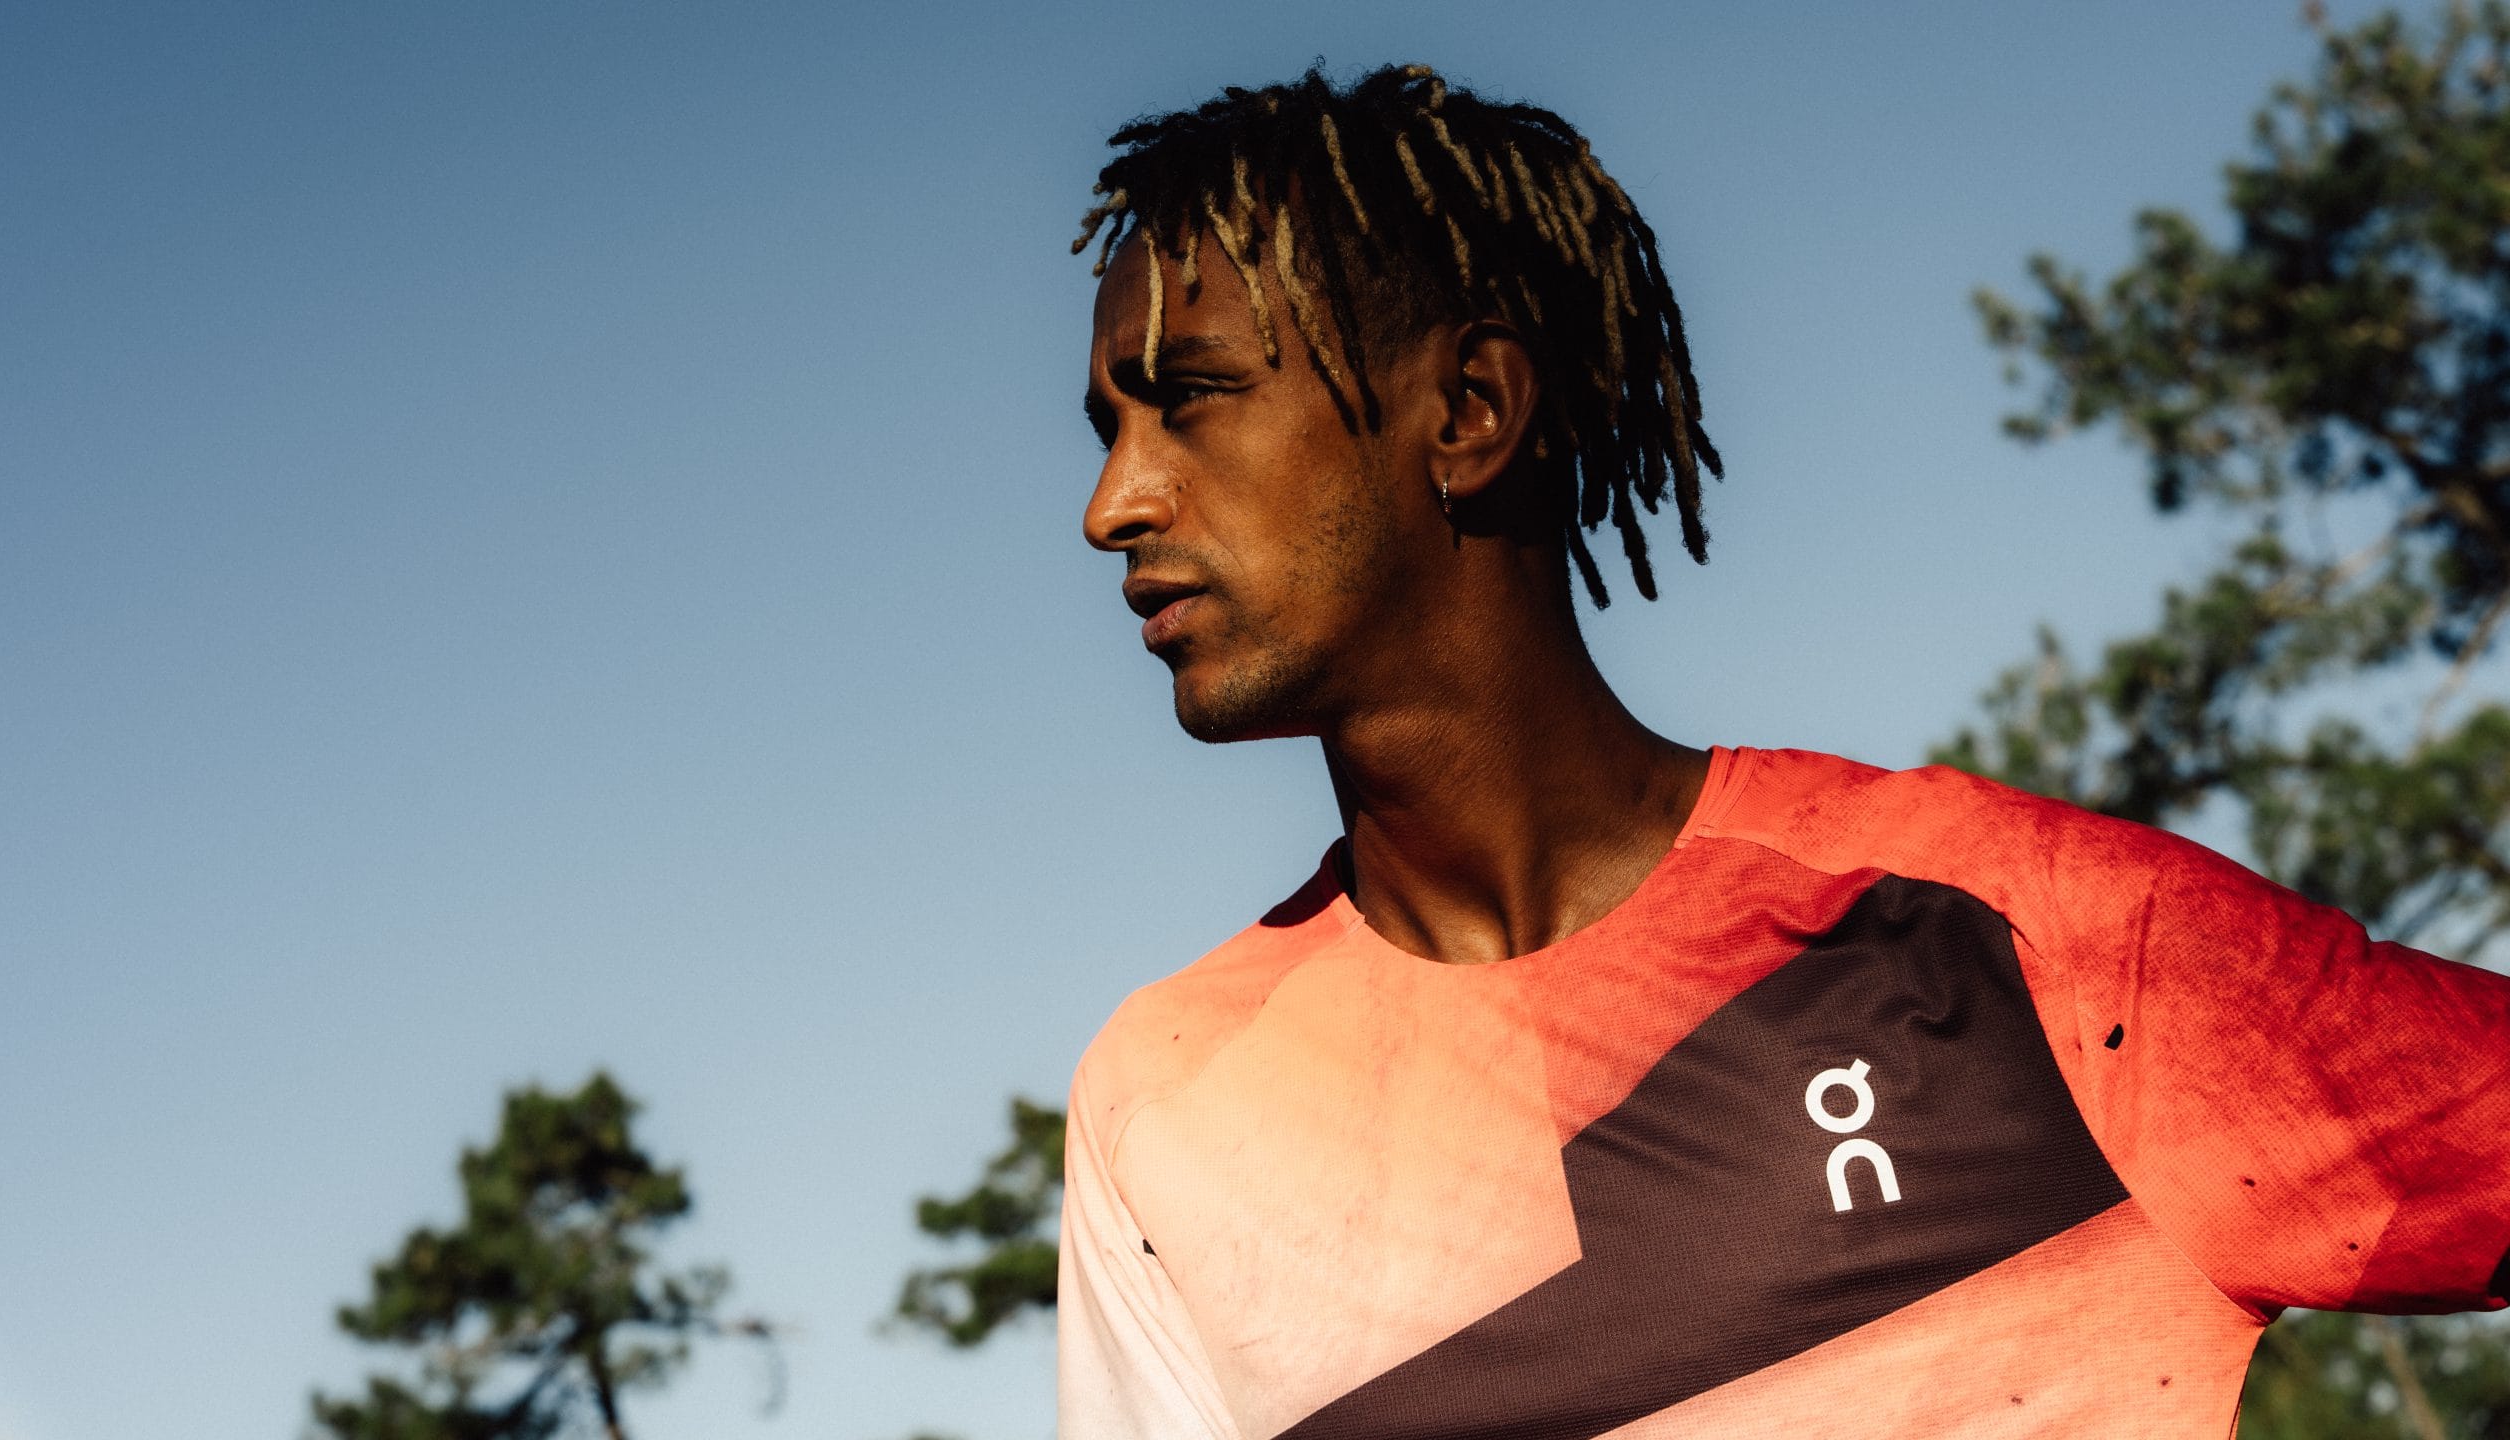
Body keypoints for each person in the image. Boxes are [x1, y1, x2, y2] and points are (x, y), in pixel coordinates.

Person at [1055, 64, 2509, 1440]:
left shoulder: (2004, 940)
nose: (1114, 503)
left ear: (1471, 412)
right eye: (1109, 427)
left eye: (1190, 398)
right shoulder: (1163, 1105)